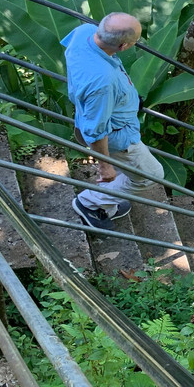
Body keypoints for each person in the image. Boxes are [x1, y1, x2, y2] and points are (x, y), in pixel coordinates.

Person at [63, 12, 164, 231]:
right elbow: (96, 130)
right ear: (124, 46)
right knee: (151, 176)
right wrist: (105, 166)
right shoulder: (102, 82)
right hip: (118, 135)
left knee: (128, 170)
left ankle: (106, 200)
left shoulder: (83, 33)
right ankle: (90, 202)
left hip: (90, 116)